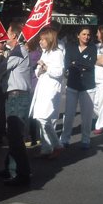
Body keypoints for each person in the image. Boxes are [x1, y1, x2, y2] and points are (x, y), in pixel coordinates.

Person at [0, 22, 33, 186]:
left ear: (13, 36)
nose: (5, 35)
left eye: (8, 32)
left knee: (15, 136)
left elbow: (4, 67)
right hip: (16, 95)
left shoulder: (18, 51)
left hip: (18, 96)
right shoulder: (16, 51)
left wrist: (0, 56)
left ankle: (22, 174)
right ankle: (11, 168)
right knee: (13, 135)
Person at [29, 28, 65, 158]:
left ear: (49, 39)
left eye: (42, 39)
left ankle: (56, 145)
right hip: (42, 88)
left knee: (44, 118)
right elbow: (37, 72)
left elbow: (59, 72)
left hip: (51, 90)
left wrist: (45, 68)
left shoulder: (57, 53)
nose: (40, 42)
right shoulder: (45, 53)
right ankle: (46, 147)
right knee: (39, 118)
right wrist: (40, 69)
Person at [60, 26, 96, 149]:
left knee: (86, 116)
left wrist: (76, 64)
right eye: (84, 34)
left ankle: (86, 139)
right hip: (72, 85)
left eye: (88, 35)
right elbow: (67, 64)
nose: (86, 37)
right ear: (78, 35)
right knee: (69, 114)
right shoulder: (70, 47)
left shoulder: (92, 48)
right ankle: (65, 139)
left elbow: (91, 65)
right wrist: (79, 65)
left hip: (88, 86)